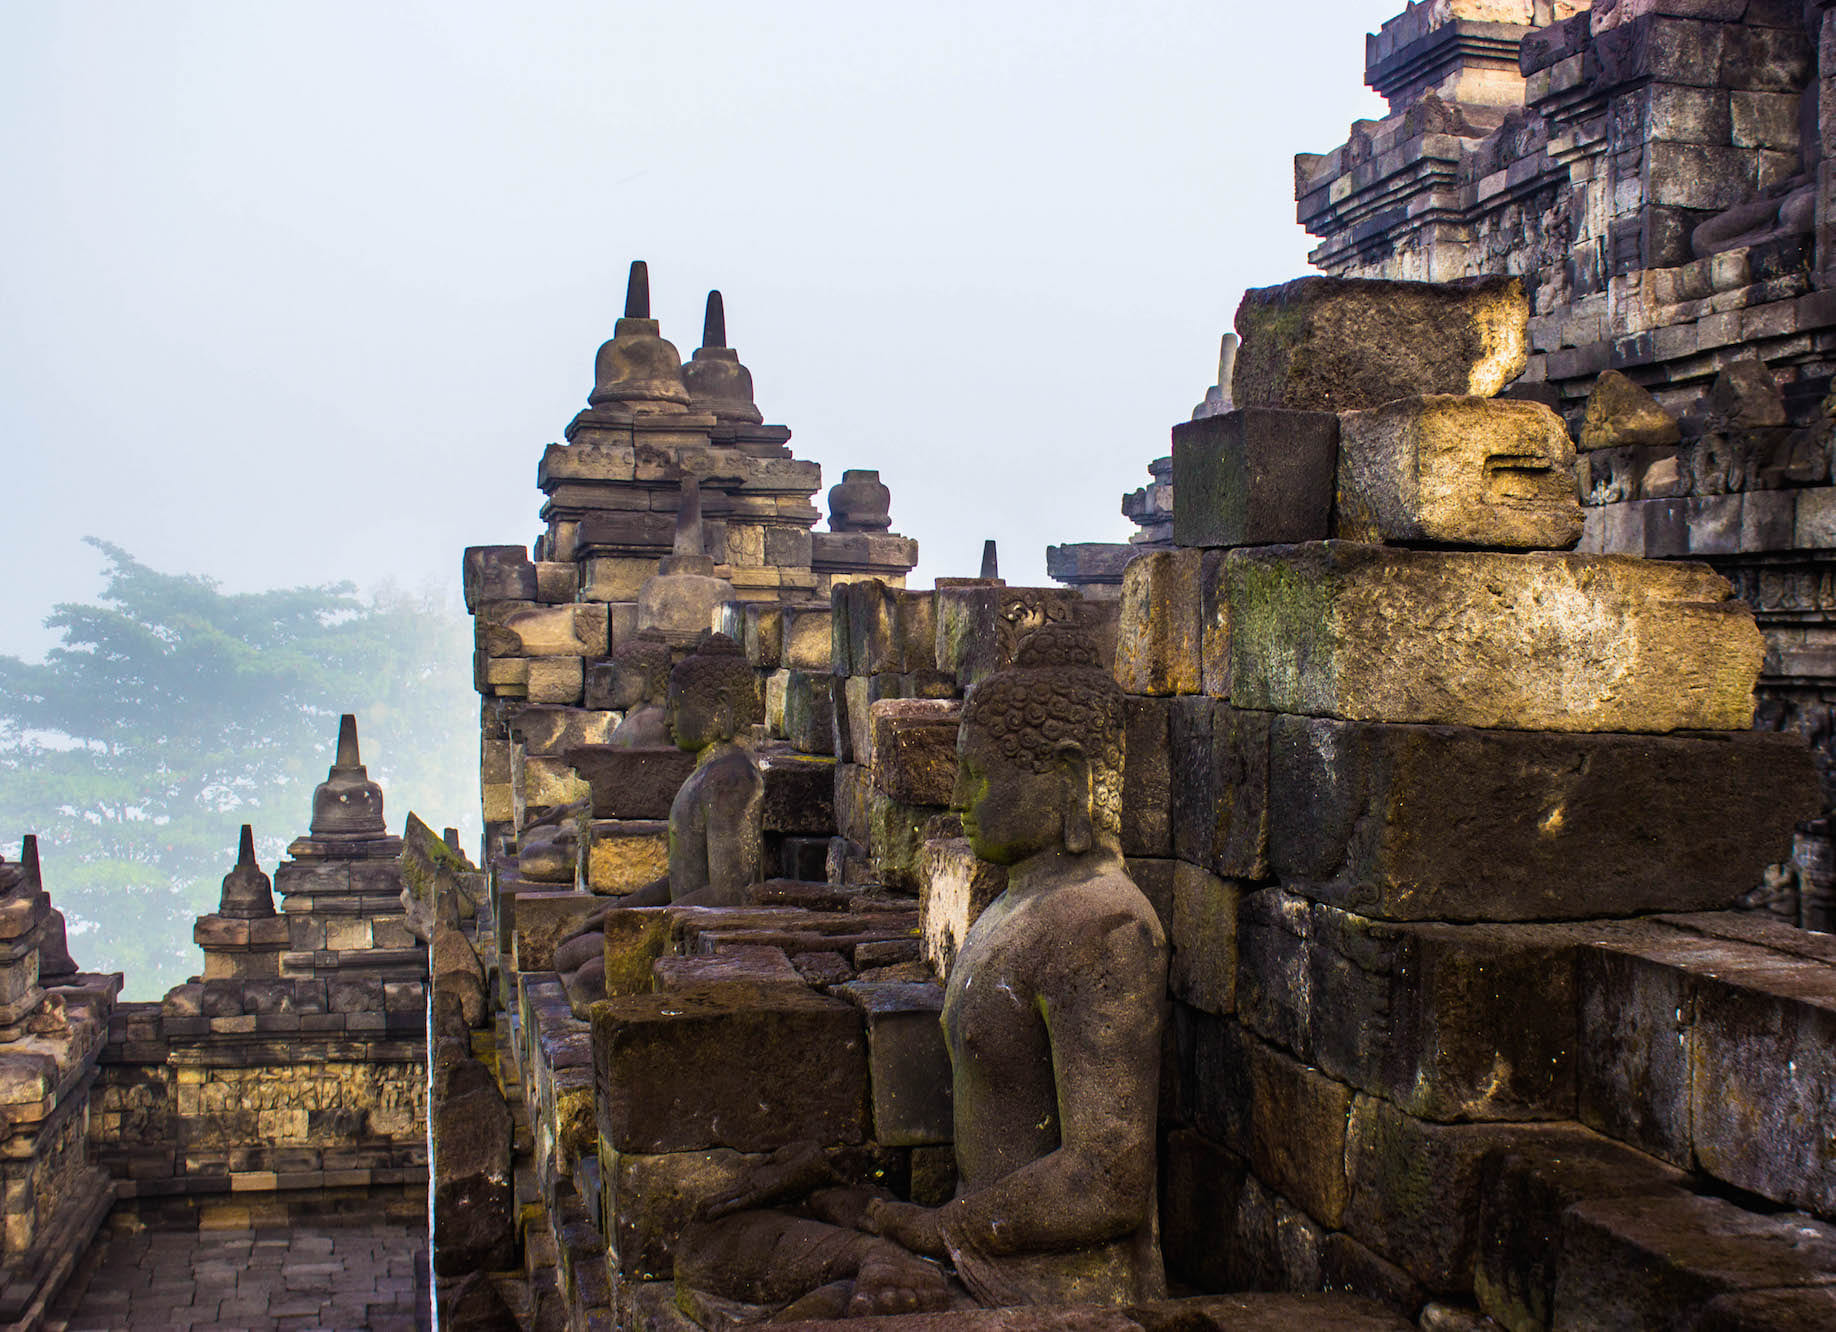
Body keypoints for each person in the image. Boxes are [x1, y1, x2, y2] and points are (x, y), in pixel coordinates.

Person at [674, 622, 1168, 1319]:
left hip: (1050, 1291)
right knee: (708, 1242)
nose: (959, 798)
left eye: (979, 777)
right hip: (969, 1250)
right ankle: (871, 1259)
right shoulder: (1016, 905)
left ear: (1068, 778)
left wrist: (938, 1229)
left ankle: (875, 1265)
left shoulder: (1107, 927)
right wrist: (845, 1183)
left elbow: (1106, 1180)